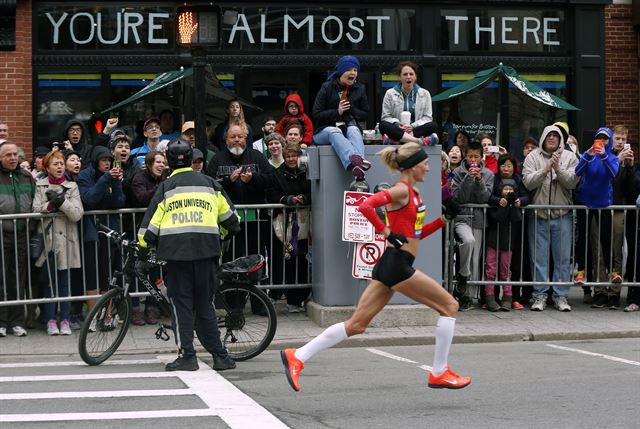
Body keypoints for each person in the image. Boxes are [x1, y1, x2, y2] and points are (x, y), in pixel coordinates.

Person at [280, 143, 468, 392]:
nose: (428, 167)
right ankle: (439, 371)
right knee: (450, 306)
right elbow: (365, 206)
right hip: (397, 265)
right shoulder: (400, 190)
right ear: (413, 165)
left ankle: (297, 355)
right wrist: (387, 233)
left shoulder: (414, 194)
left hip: (392, 265)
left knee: (357, 325)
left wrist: (444, 219)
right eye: (425, 163)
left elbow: (416, 234)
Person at [137, 138, 241, 371]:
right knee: (205, 306)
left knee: (181, 307)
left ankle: (188, 356)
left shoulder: (166, 187)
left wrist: (143, 247)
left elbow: (149, 228)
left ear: (170, 163)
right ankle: (221, 357)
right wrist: (219, 235)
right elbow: (233, 221)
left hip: (177, 257)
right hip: (207, 254)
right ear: (193, 157)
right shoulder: (211, 184)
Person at [522, 124, 579, 311]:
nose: (552, 138)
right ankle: (539, 295)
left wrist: (559, 169)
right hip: (538, 215)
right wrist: (545, 169)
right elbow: (528, 182)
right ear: (543, 138)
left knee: (563, 258)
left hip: (562, 215)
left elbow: (573, 182)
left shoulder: (570, 157)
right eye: (549, 135)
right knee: (538, 258)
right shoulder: (532, 157)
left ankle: (561, 296)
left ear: (560, 139)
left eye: (556, 135)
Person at [32, 151, 83, 336]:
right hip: (49, 240)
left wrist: (61, 202)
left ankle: (66, 319)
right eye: (55, 164)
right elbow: (36, 209)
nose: (60, 166)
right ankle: (50, 319)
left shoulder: (72, 186)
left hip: (68, 240)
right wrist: (50, 206)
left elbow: (77, 213)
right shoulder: (40, 185)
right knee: (48, 282)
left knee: (64, 283)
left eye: (61, 163)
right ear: (47, 167)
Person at [77, 146, 127, 328]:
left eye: (109, 160)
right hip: (91, 229)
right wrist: (107, 178)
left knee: (108, 273)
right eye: (104, 160)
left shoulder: (112, 177)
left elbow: (119, 202)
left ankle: (107, 316)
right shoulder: (85, 175)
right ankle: (92, 317)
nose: (107, 163)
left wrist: (116, 182)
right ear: (96, 160)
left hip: (110, 229)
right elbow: (89, 198)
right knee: (92, 272)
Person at [573, 128, 619, 308]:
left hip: (604, 203)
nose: (602, 141)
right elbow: (577, 172)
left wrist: (604, 156)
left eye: (605, 139)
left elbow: (614, 173)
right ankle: (581, 272)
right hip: (586, 202)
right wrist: (588, 156)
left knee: (606, 239)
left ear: (609, 142)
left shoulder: (612, 157)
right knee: (583, 238)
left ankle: (613, 272)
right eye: (599, 138)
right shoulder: (588, 154)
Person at [267, 142, 312, 313]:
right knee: (286, 259)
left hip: (306, 223)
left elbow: (316, 191)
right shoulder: (276, 174)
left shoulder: (307, 173)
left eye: (294, 155)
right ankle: (285, 296)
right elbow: (271, 194)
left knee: (303, 259)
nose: (291, 159)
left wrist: (305, 199)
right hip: (285, 224)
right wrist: (288, 199)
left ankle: (300, 297)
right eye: (288, 156)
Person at [450, 140, 494, 311]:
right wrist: (468, 178)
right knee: (468, 242)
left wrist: (479, 180)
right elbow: (458, 197)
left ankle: (468, 295)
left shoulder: (488, 174)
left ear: (481, 157)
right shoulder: (458, 172)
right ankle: (462, 277)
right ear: (465, 156)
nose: (473, 160)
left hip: (478, 219)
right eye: (470, 156)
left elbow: (485, 198)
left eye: (476, 156)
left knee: (475, 259)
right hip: (462, 218)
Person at [312, 55, 371, 181]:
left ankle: (358, 165)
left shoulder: (359, 88)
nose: (353, 73)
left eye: (355, 70)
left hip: (348, 128)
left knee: (354, 130)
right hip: (324, 132)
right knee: (335, 131)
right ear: (341, 72)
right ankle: (352, 162)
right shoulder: (327, 87)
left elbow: (365, 113)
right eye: (349, 69)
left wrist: (352, 109)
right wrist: (337, 112)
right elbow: (316, 114)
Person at [484, 154, 530, 311]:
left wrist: (519, 201)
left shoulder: (518, 179)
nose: (506, 168)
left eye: (509, 165)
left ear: (514, 167)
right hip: (493, 229)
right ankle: (490, 297)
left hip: (511, 232)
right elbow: (487, 196)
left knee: (506, 267)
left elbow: (527, 197)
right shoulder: (494, 179)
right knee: (490, 266)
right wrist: (498, 201)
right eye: (503, 165)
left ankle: (509, 297)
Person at [0, 141, 35, 337]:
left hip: (21, 234)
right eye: (8, 155)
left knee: (18, 277)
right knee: (1, 277)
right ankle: (1, 321)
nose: (13, 158)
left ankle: (16, 321)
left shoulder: (26, 177)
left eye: (15, 154)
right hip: (1, 234)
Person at [379, 61, 439, 146]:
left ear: (415, 77)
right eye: (405, 74)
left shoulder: (425, 93)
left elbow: (428, 117)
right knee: (383, 125)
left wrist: (412, 126)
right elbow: (386, 117)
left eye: (411, 74)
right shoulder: (390, 93)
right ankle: (419, 141)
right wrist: (398, 124)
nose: (408, 77)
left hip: (415, 129)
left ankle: (398, 140)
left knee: (433, 126)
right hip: (398, 129)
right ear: (400, 77)